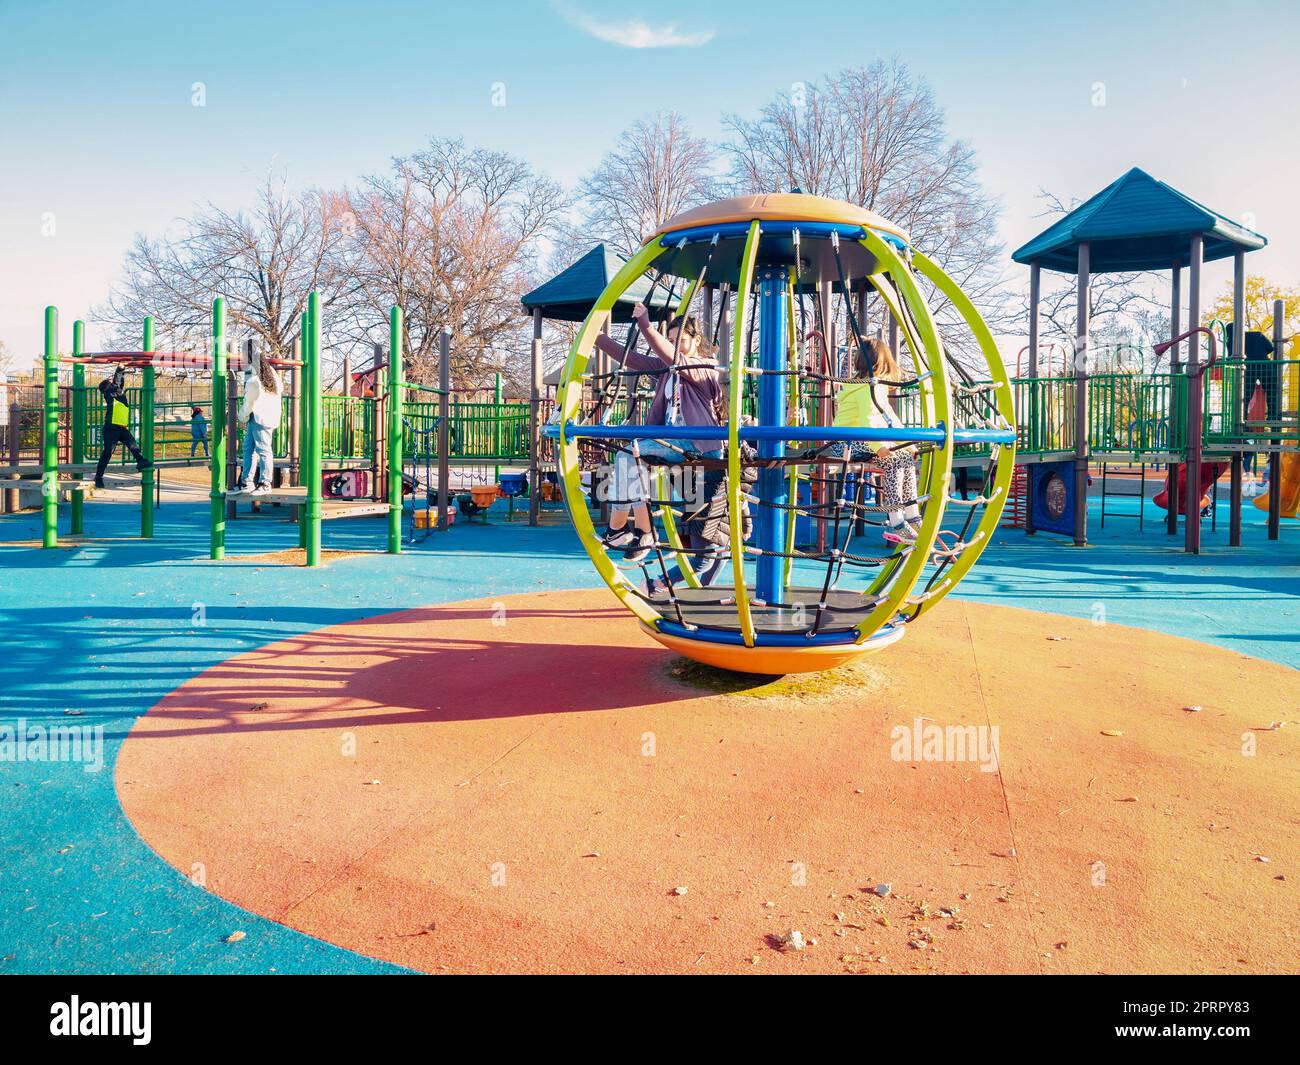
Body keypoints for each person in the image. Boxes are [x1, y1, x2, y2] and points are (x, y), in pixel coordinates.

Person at [592, 302, 724, 563]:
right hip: (673, 443)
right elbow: (631, 358)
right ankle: (633, 530)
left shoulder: (703, 367)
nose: (675, 346)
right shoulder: (668, 370)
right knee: (628, 458)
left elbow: (672, 357)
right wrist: (594, 336)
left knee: (629, 456)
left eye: (681, 340)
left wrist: (645, 324)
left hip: (698, 444)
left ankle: (631, 529)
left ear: (696, 340)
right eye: (671, 340)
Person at [826, 336, 921, 543]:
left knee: (904, 458)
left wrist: (910, 445)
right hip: (845, 443)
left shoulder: (872, 385)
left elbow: (890, 418)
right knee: (894, 460)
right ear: (882, 363)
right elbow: (866, 420)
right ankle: (896, 523)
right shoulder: (868, 387)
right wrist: (879, 447)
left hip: (857, 440)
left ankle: (912, 515)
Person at [93, 365, 152, 488]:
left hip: (121, 427)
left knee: (132, 444)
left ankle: (140, 461)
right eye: (111, 383)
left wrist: (123, 371)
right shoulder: (109, 393)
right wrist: (120, 369)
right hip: (111, 427)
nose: (115, 384)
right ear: (107, 387)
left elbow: (119, 382)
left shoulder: (117, 392)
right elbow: (117, 381)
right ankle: (98, 477)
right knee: (108, 451)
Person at [234, 348, 283, 496]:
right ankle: (247, 481)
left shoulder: (254, 381)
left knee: (262, 449)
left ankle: (264, 482)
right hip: (268, 416)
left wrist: (241, 417)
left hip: (258, 417)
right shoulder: (272, 377)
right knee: (249, 447)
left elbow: (249, 402)